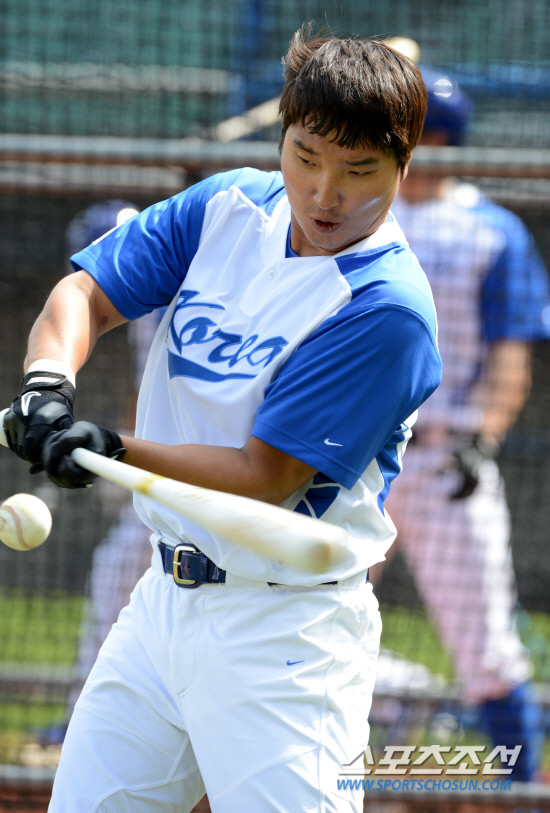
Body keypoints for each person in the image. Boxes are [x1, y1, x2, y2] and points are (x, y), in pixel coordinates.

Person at [4, 31, 442, 812]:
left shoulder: (386, 308)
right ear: (283, 138)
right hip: (161, 607)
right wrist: (47, 384)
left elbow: (262, 476)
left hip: (285, 638)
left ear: (403, 167)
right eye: (306, 156)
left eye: (359, 170)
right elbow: (86, 295)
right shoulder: (227, 205)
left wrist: (111, 446)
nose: (325, 194)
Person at [372, 56, 550, 782]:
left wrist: (484, 437)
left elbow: (511, 351)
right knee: (302, 615)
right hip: (353, 455)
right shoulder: (358, 215)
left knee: (485, 646)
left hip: (447, 460)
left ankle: (521, 787)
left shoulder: (492, 229)